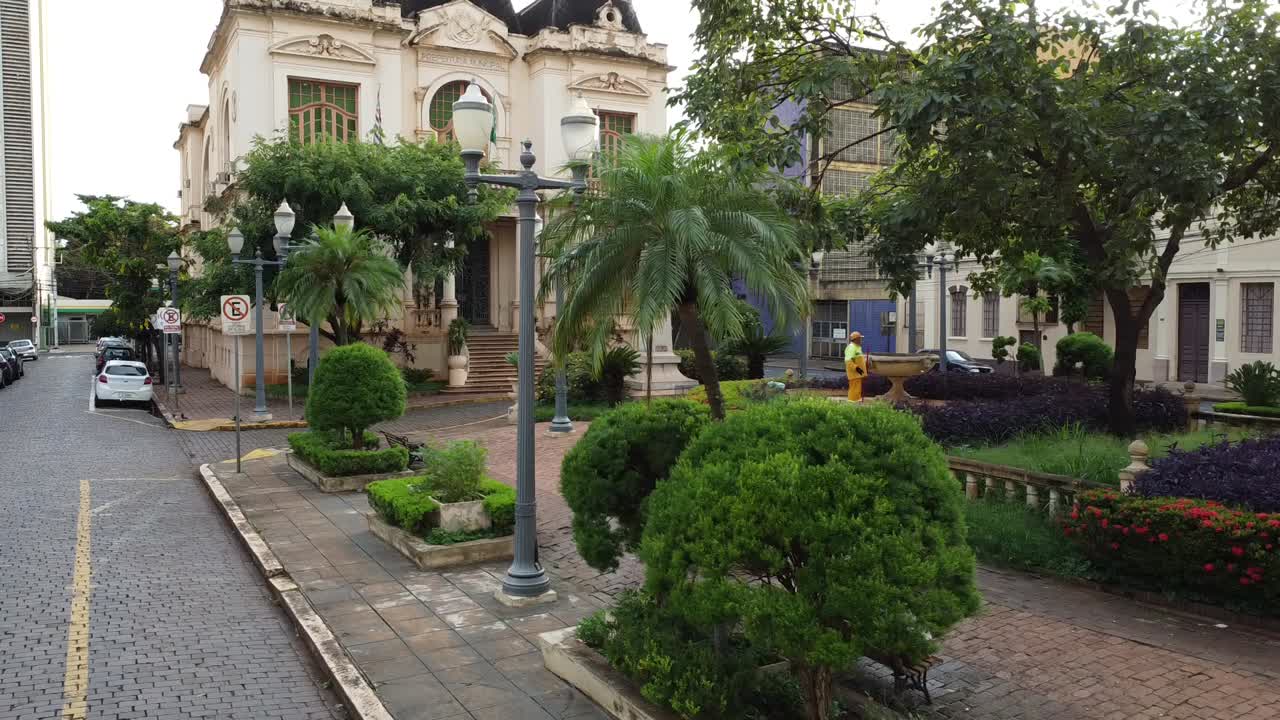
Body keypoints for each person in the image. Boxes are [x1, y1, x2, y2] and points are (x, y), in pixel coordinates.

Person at [844, 331, 868, 402]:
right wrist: (857, 369)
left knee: (857, 389)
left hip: (858, 374)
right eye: (860, 338)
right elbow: (848, 361)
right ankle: (852, 402)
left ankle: (856, 401)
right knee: (854, 389)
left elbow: (859, 359)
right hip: (854, 373)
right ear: (856, 339)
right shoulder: (851, 348)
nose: (861, 340)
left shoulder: (857, 347)